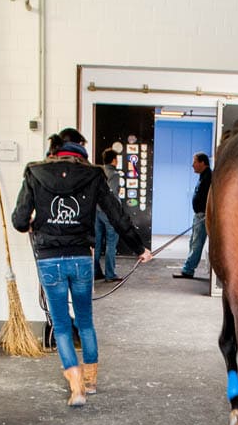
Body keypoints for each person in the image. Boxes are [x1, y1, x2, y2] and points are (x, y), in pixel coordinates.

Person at [13, 128, 153, 406]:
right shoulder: (93, 175)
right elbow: (116, 214)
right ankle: (90, 382)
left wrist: (31, 224)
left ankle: (75, 387)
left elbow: (19, 220)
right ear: (81, 151)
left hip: (49, 258)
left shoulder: (35, 173)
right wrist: (139, 248)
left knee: (62, 326)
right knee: (85, 322)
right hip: (80, 258)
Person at [173, 152, 211, 279]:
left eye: (195, 162)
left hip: (203, 216)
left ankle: (188, 270)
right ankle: (188, 268)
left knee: (196, 244)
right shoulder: (203, 176)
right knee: (193, 242)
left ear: (202, 163)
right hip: (199, 215)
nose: (192, 165)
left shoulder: (209, 177)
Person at [94, 149, 122, 282]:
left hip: (96, 212)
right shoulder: (114, 175)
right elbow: (111, 196)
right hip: (109, 213)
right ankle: (110, 274)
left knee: (97, 243)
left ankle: (95, 272)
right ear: (114, 160)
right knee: (112, 241)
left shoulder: (97, 172)